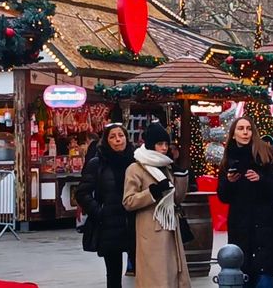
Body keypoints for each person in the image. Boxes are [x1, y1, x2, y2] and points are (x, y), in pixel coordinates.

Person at [218, 116, 273, 288]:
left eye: (248, 128)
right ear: (233, 134)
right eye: (240, 128)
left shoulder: (264, 153)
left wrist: (260, 179)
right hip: (241, 226)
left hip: (264, 225)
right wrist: (229, 182)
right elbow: (223, 196)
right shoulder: (228, 158)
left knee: (264, 273)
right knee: (243, 272)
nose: (245, 132)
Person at [123, 123, 191, 288]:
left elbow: (177, 199)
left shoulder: (166, 166)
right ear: (151, 144)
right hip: (150, 231)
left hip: (170, 228)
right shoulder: (136, 168)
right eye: (160, 144)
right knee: (155, 279)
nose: (164, 148)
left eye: (166, 144)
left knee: (173, 276)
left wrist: (181, 176)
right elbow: (128, 201)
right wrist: (152, 193)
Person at [76, 123, 135, 288]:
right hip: (109, 224)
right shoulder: (97, 163)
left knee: (143, 268)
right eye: (113, 137)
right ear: (106, 140)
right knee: (114, 273)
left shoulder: (136, 160)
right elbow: (82, 193)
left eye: (121, 135)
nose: (118, 140)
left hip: (133, 222)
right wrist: (98, 211)